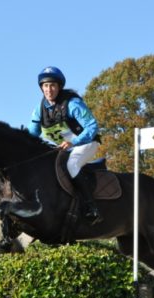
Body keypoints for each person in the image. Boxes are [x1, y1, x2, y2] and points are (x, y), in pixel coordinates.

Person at [28, 66, 103, 225]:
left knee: (72, 165)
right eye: (45, 86)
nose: (49, 89)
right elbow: (31, 135)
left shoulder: (73, 104)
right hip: (65, 148)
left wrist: (73, 142)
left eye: (53, 85)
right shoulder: (38, 111)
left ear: (59, 86)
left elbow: (92, 126)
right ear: (41, 88)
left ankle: (91, 206)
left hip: (87, 143)